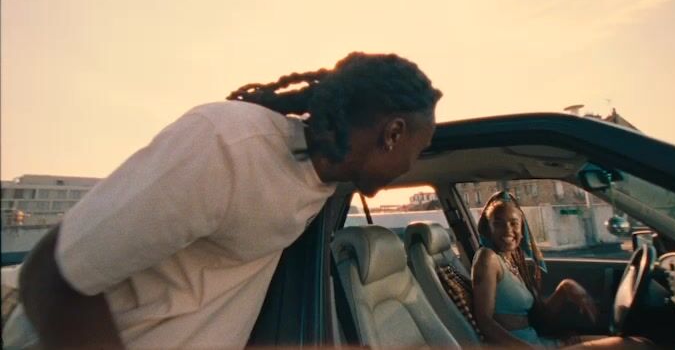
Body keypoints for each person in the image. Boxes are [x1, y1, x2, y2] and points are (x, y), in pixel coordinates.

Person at [18, 52, 442, 349]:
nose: (411, 165)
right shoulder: (226, 146)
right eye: (419, 150)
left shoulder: (325, 188)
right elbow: (49, 276)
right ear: (393, 134)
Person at [471, 191, 647, 349]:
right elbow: (485, 322)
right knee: (637, 346)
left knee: (636, 342)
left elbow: (538, 319)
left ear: (522, 227)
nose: (508, 230)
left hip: (538, 341)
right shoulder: (487, 258)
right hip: (523, 346)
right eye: (499, 224)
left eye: (514, 223)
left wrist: (565, 288)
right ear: (489, 228)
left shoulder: (511, 261)